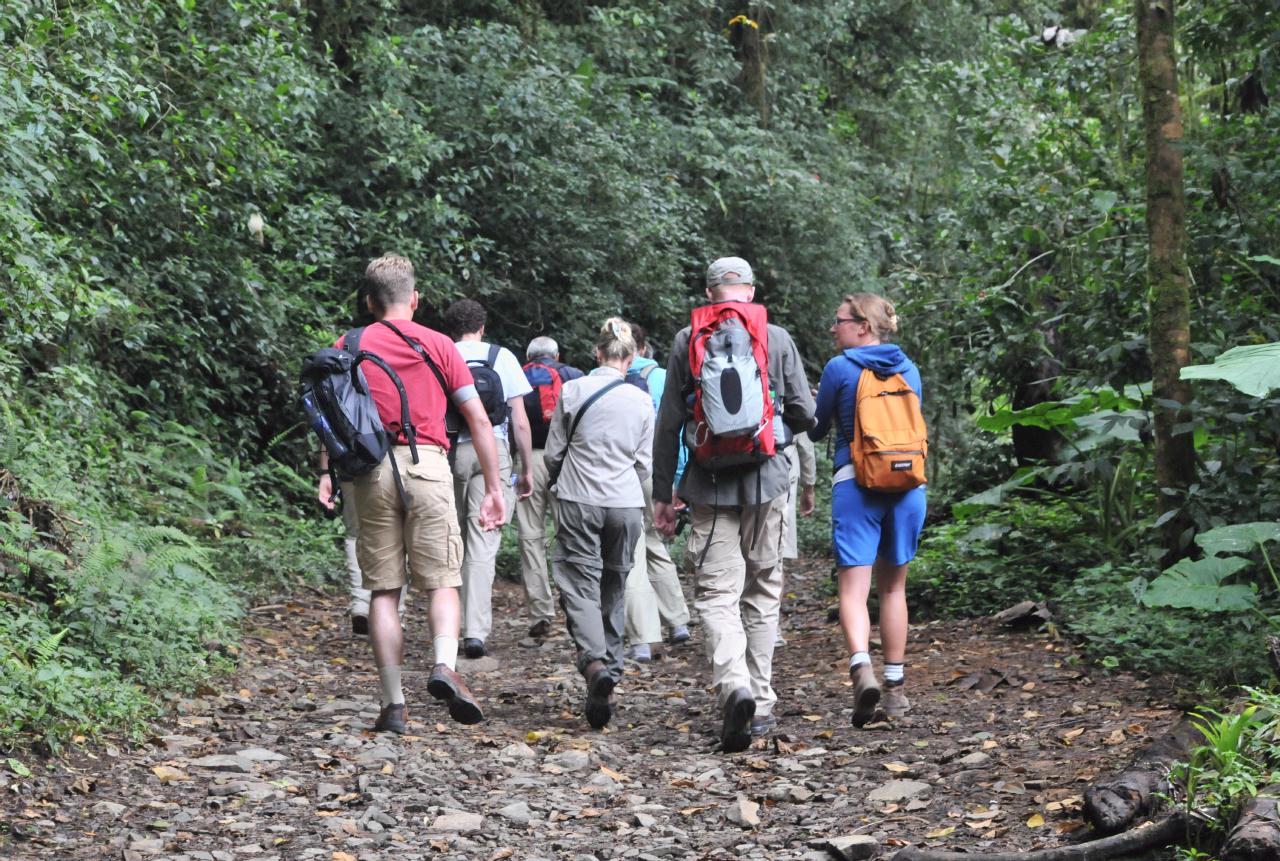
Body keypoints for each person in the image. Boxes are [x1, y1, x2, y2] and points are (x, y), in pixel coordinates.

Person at [316, 254, 505, 733]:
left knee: (383, 589)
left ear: (368, 301)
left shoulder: (349, 343)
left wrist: (324, 473)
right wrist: (494, 487)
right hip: (428, 465)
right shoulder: (440, 344)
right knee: (442, 579)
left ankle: (393, 704)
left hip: (369, 471)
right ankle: (444, 664)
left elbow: (330, 415)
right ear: (415, 299)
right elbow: (479, 420)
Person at [653, 257, 815, 751]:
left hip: (708, 484)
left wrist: (664, 493)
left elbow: (669, 422)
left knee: (717, 595)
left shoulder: (688, 339)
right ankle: (761, 703)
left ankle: (734, 685)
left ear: (709, 292)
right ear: (749, 290)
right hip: (767, 481)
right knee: (763, 591)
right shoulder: (777, 337)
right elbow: (805, 412)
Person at [809, 292, 926, 726]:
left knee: (854, 590)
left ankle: (862, 668)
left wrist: (816, 401)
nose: (833, 328)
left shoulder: (840, 368)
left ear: (862, 326)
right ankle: (895, 691)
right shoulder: (909, 368)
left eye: (838, 321)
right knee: (894, 589)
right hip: (908, 485)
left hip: (856, 482)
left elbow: (817, 426)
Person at [544, 318, 653, 729]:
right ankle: (613, 670)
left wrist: (559, 481)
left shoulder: (573, 390)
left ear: (597, 352)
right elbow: (643, 463)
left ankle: (594, 666)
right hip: (624, 505)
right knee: (614, 584)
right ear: (633, 356)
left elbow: (555, 453)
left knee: (578, 584)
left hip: (578, 499)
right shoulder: (641, 400)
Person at [442, 299, 535, 659]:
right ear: (482, 326)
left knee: (453, 540)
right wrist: (525, 469)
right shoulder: (503, 356)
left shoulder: (442, 353)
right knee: (482, 544)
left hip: (450, 451)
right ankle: (474, 633)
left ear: (451, 328)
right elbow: (521, 421)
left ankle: (446, 625)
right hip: (493, 451)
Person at [623, 323, 692, 663]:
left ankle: (644, 638)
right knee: (653, 543)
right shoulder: (662, 376)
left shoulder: (601, 377)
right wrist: (679, 478)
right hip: (656, 472)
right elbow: (676, 431)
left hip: (620, 475)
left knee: (632, 552)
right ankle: (678, 620)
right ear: (644, 347)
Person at [516, 336, 584, 638]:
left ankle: (540, 611)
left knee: (530, 536)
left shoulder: (517, 374)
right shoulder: (574, 376)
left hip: (526, 459)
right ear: (556, 354)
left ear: (529, 356)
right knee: (569, 534)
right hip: (566, 461)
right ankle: (575, 604)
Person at [774, 431, 816, 646]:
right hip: (782, 467)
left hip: (733, 470)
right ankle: (771, 627)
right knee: (775, 556)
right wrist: (809, 486)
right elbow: (805, 445)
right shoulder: (789, 395)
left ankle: (737, 624)